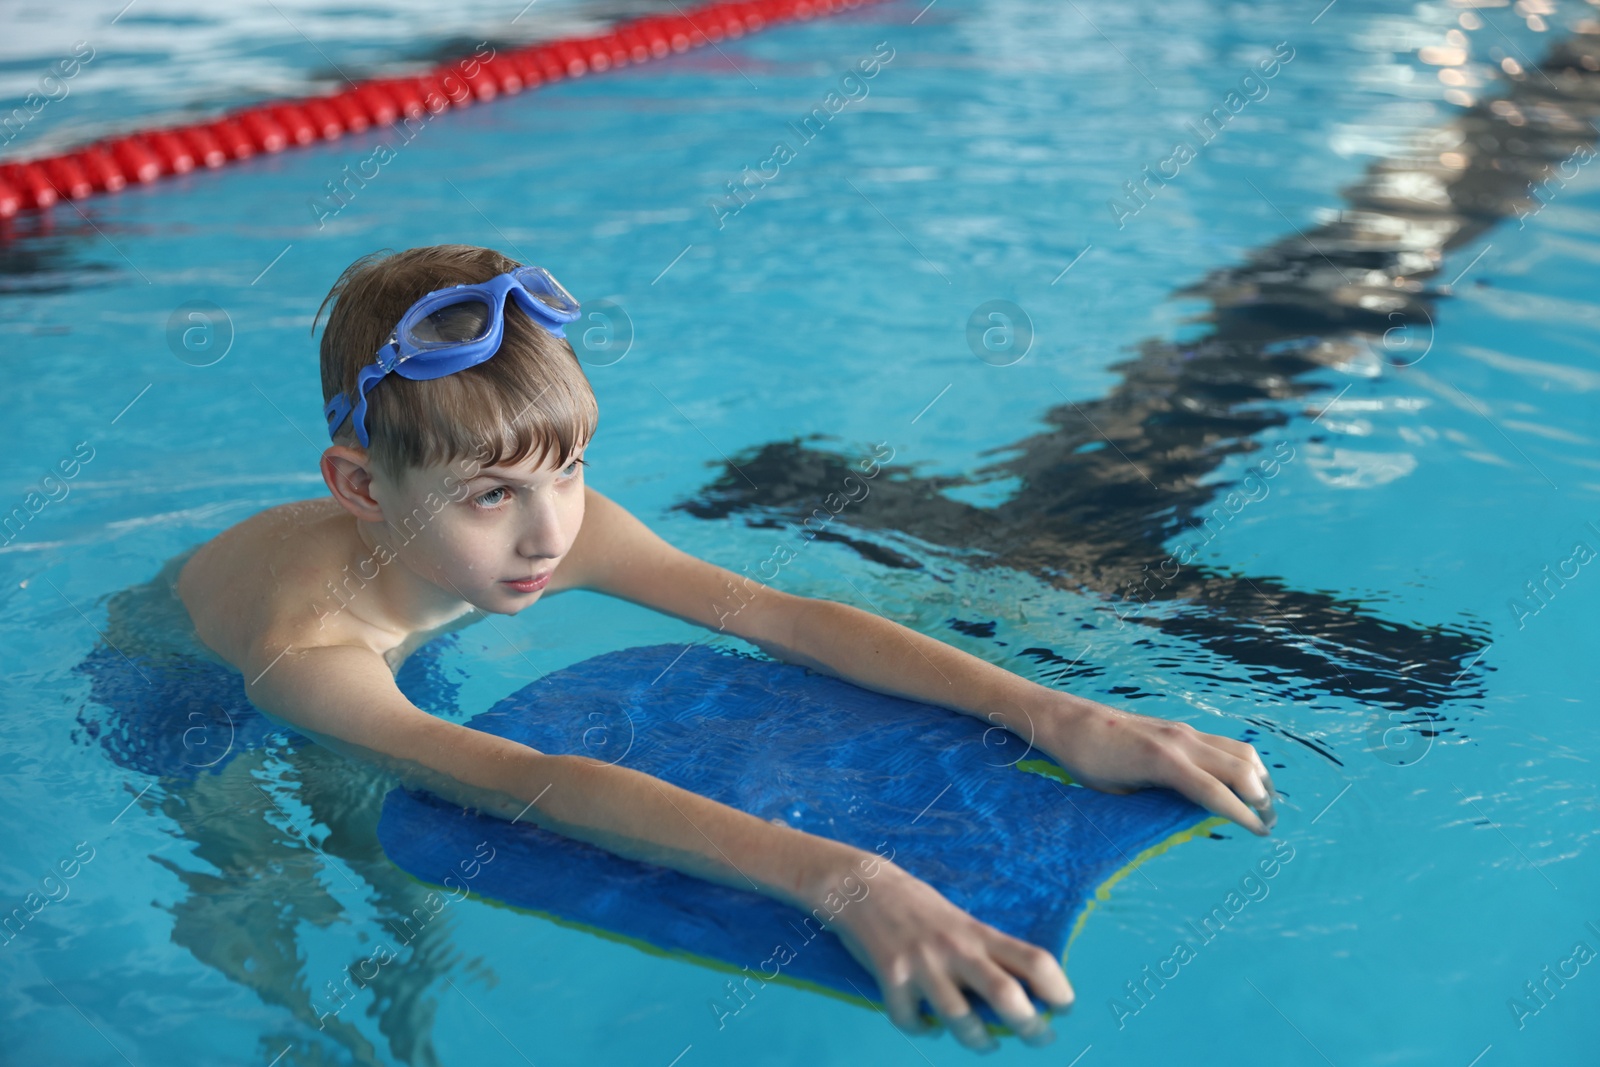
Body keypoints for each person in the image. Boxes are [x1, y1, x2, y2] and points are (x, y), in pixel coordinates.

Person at [175, 243, 1277, 1052]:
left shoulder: (539, 531)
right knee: (325, 903)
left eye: (570, 470)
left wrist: (1059, 712)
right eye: (492, 494)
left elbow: (779, 616)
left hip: (407, 633)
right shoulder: (306, 651)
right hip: (194, 707)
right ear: (362, 487)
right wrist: (849, 880)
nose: (549, 530)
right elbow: (532, 780)